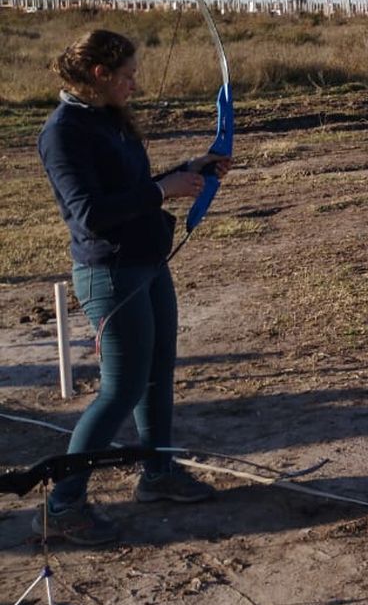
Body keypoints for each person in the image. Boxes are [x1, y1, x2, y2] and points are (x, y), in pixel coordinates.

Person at [34, 29, 229, 545]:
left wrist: (188, 171)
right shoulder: (64, 132)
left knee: (156, 374)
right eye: (126, 76)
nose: (134, 86)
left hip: (147, 262)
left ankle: (158, 474)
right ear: (99, 76)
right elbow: (91, 213)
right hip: (110, 273)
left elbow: (130, 192)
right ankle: (63, 504)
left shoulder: (110, 120)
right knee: (120, 389)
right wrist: (164, 189)